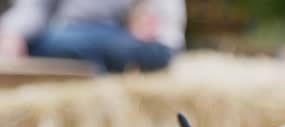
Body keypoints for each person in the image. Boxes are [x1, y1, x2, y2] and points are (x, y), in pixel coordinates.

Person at [0, 0, 186, 73]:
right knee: (53, 42)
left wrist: (148, 19)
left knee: (55, 44)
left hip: (130, 41)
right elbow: (34, 8)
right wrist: (13, 33)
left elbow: (161, 21)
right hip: (72, 36)